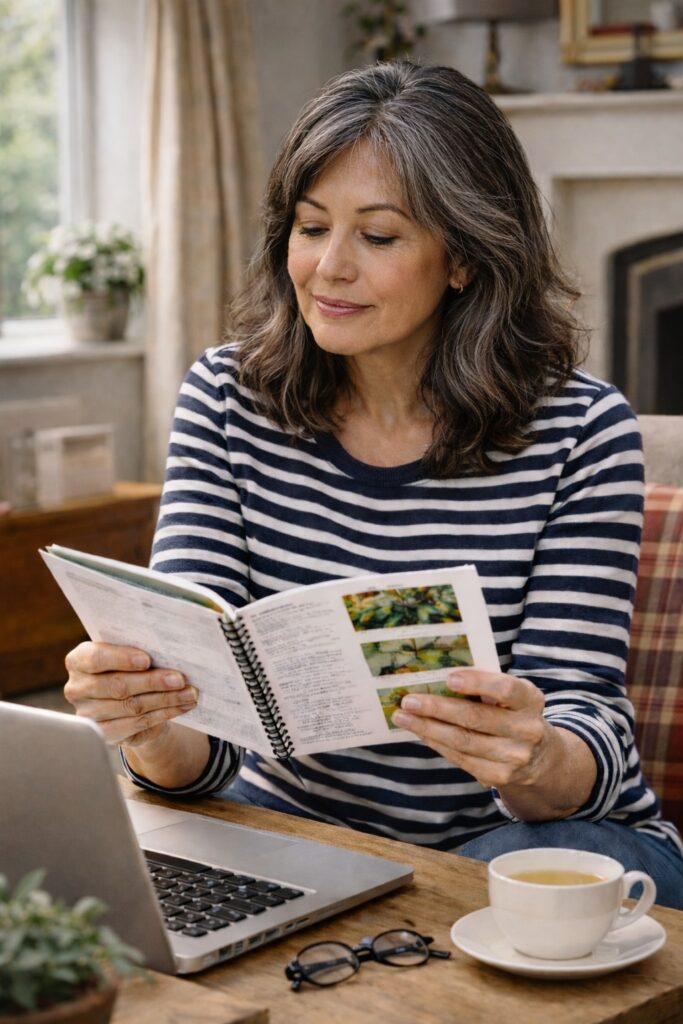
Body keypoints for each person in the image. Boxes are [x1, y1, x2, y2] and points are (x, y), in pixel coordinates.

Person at [64, 61, 683, 908]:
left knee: (522, 883)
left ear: (463, 256)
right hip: (298, 831)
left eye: (378, 237)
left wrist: (534, 754)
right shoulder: (226, 398)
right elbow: (201, 756)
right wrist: (146, 722)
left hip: (523, 835)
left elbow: (586, 735)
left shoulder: (579, 430)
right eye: (311, 227)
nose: (328, 269)